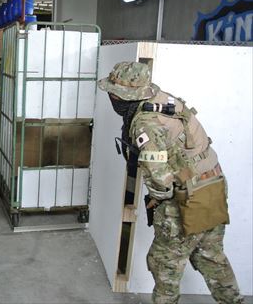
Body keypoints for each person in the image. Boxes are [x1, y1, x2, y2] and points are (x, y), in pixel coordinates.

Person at [98, 61, 243, 304]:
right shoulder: (163, 99)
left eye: (113, 93)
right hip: (213, 185)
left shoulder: (146, 124)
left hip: (188, 198)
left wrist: (157, 199)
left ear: (124, 97)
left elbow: (162, 183)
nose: (111, 97)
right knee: (211, 256)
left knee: (164, 264)